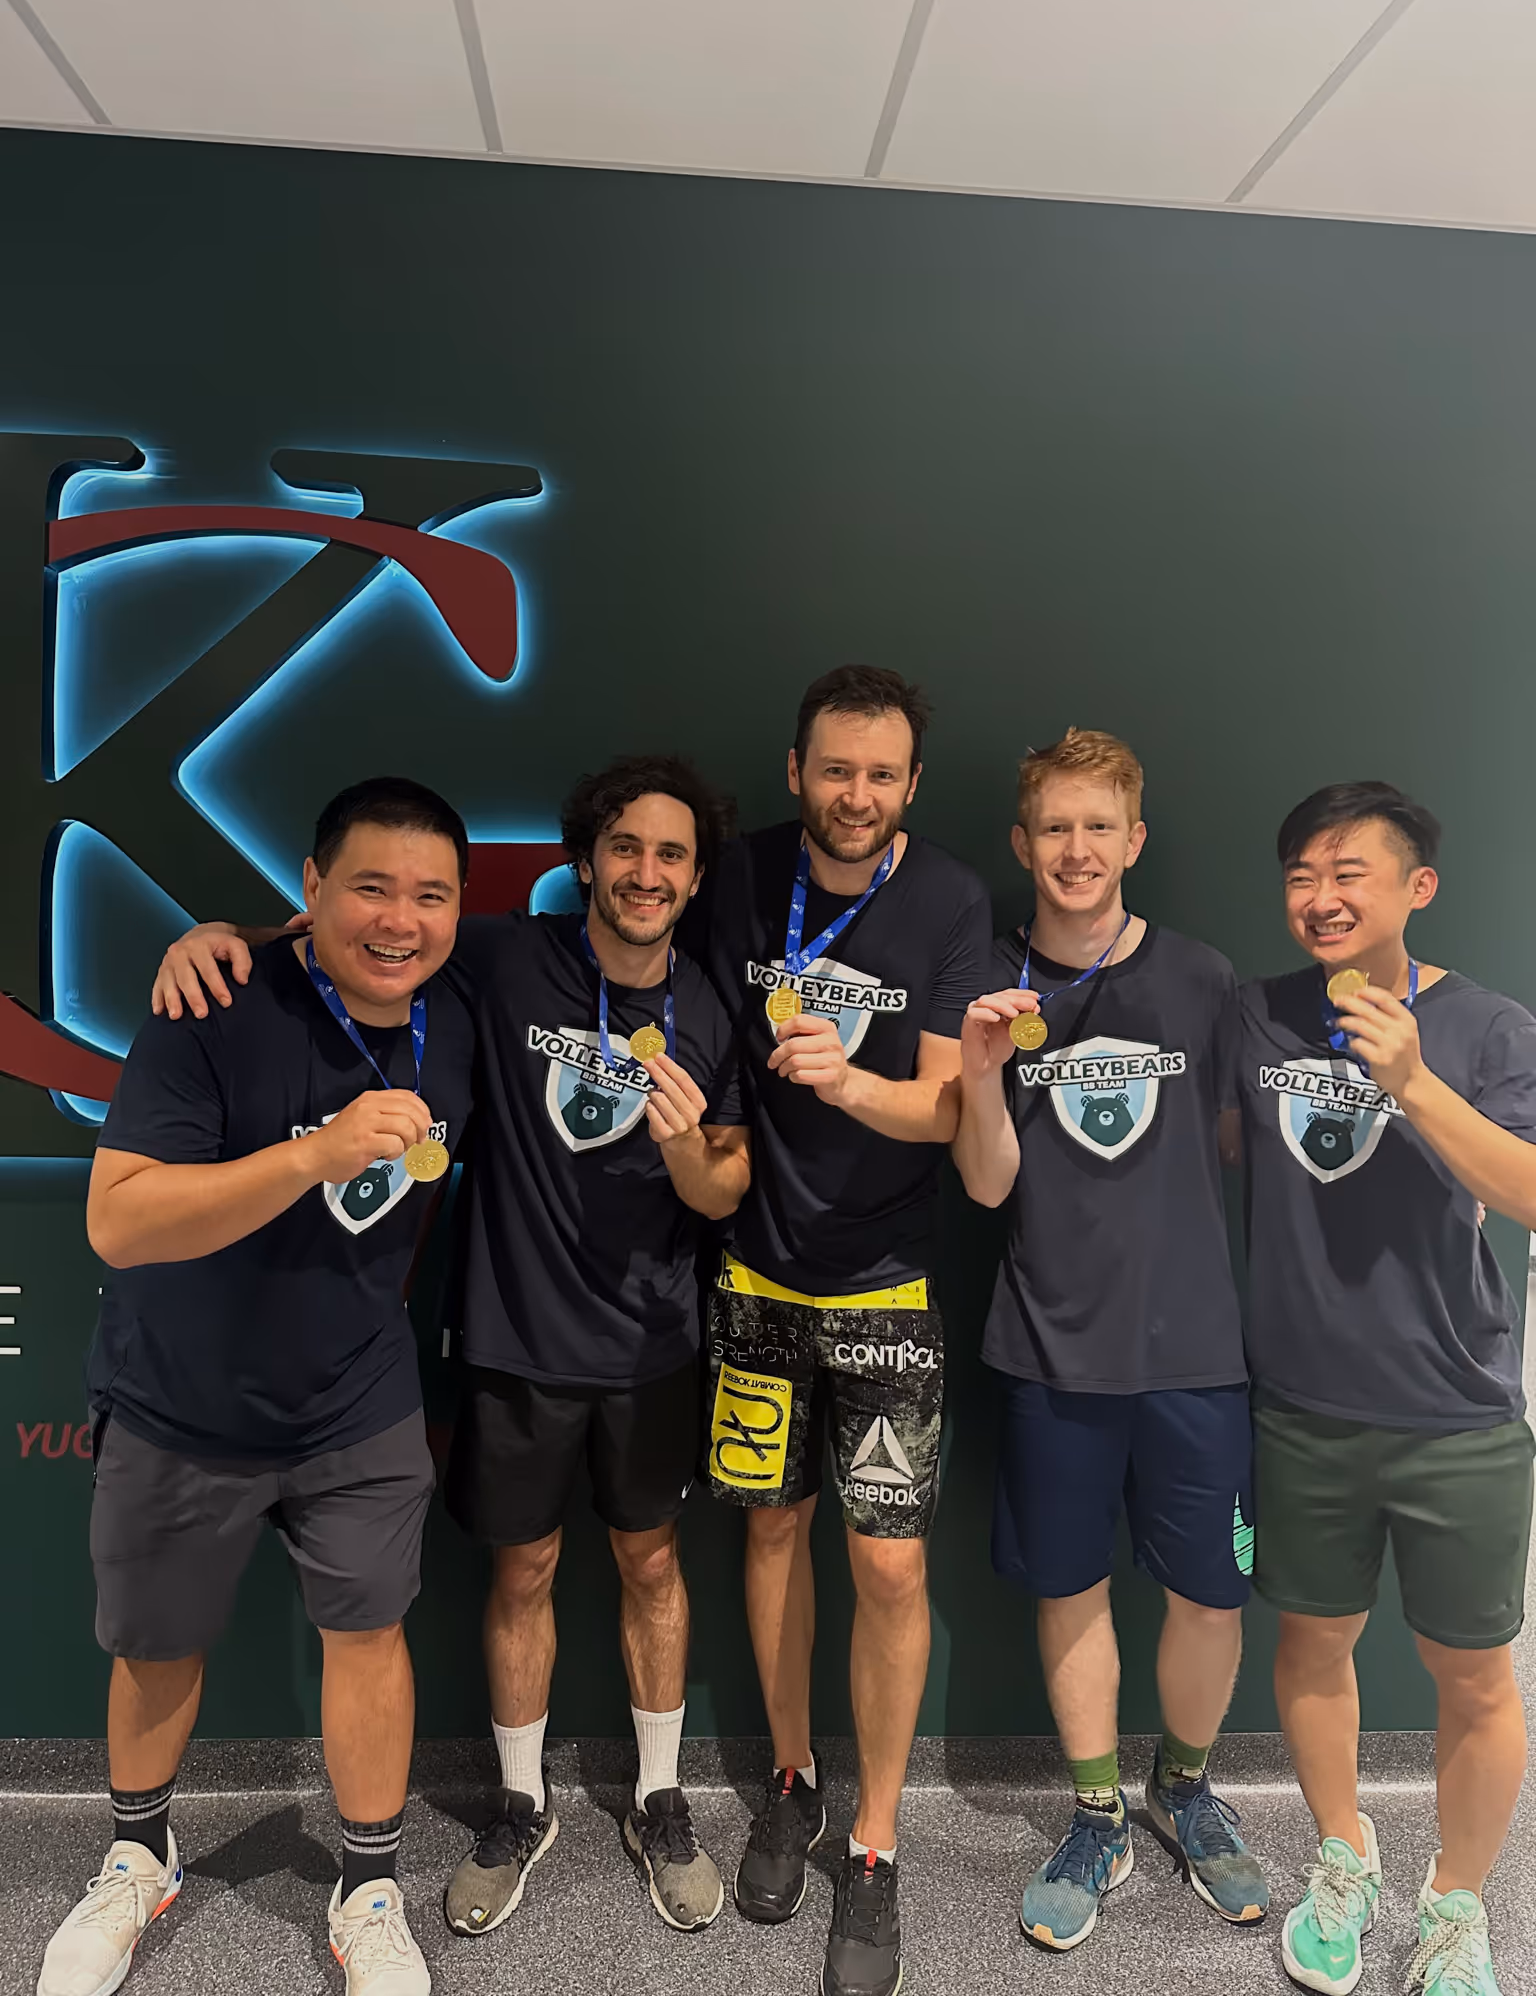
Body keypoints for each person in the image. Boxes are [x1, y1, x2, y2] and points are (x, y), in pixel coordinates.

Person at [150, 756, 750, 1943]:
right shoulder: (504, 956)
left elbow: (724, 1184)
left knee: (652, 1564)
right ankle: (522, 1806)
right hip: (512, 1334)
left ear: (693, 875)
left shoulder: (716, 1001)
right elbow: (369, 935)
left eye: (670, 854)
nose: (645, 872)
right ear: (587, 858)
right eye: (625, 847)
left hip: (653, 1342)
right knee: (519, 1572)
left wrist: (686, 1151)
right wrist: (213, 935)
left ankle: (661, 1798)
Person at [37, 778, 477, 1996]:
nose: (400, 920)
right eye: (370, 887)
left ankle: (370, 1880)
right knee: (157, 1644)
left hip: (359, 1398)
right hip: (182, 1398)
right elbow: (118, 1221)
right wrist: (312, 1153)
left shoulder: (465, 1004)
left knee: (368, 1633)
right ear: (310, 890)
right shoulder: (214, 1000)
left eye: (431, 893)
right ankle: (138, 1857)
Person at [692, 665, 992, 1996]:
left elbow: (949, 1112)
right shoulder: (741, 875)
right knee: (769, 1529)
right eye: (835, 769)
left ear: (912, 785)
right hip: (752, 1275)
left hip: (883, 1284)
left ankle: (874, 1848)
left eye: (882, 775)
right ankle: (793, 1780)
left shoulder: (950, 900)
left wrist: (848, 1080)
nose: (856, 795)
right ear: (797, 766)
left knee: (889, 1569)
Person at [951, 727, 1267, 1953]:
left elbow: (1236, 1146)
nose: (1077, 850)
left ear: (1134, 841)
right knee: (1071, 1586)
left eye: (1101, 827)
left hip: (1197, 1350)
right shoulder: (986, 982)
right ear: (1023, 844)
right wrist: (982, 1073)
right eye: (1056, 828)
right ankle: (1097, 1816)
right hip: (1048, 1349)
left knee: (1207, 1589)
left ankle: (1183, 1790)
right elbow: (984, 1186)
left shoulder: (1203, 976)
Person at [1239, 782, 1536, 1996]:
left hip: (1458, 1412)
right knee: (1314, 1644)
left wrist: (1414, 1080)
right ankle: (1342, 1855)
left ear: (1415, 886)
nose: (1323, 894)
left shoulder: (1488, 1026)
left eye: (1350, 870)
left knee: (1474, 1672)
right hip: (1301, 1405)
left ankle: (1459, 1902)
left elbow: (1526, 1189)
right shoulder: (1255, 1018)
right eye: (1304, 872)